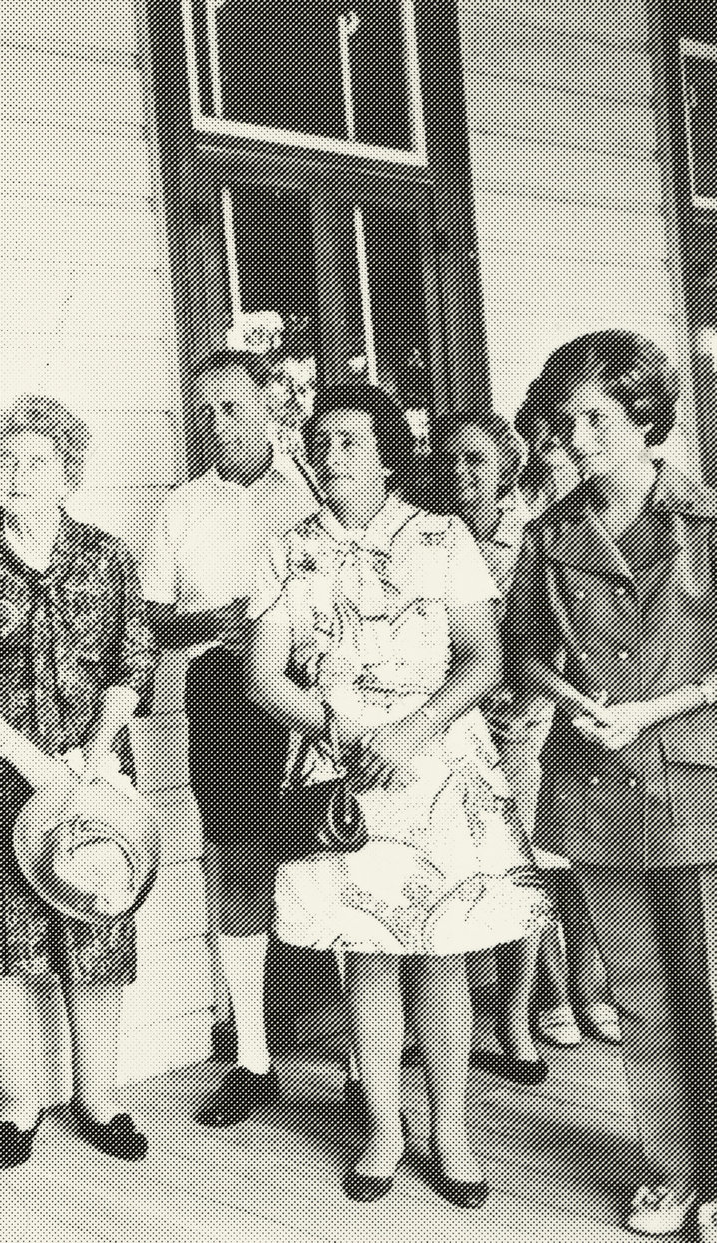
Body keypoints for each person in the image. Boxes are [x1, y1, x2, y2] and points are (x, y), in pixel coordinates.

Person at [245, 383, 551, 1208]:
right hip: (342, 769)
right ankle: (385, 1126)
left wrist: (411, 732)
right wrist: (346, 729)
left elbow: (483, 657)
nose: (331, 454)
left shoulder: (442, 535)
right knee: (369, 954)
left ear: (386, 453)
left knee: (442, 949)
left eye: (349, 440)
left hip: (438, 761)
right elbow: (261, 676)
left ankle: (449, 1129)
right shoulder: (289, 548)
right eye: (321, 440)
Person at [504, 330, 717, 1237]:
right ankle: (674, 1169)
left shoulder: (706, 519)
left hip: (695, 781)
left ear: (646, 420)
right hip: (594, 784)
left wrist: (655, 708)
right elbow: (520, 651)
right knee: (640, 991)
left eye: (596, 418)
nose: (577, 437)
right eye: (568, 420)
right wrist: (565, 693)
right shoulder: (551, 534)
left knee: (710, 983)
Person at [0, 396, 158, 1168]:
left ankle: (101, 1098)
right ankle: (15, 1106)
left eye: (38, 462)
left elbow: (131, 664)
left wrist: (93, 750)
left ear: (69, 477)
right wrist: (34, 766)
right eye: (7, 461)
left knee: (94, 918)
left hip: (91, 773)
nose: (18, 475)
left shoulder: (110, 557)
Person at [140, 350, 316, 1127]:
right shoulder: (181, 507)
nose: (218, 424)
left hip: (317, 686)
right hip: (222, 691)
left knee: (332, 854)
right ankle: (253, 1058)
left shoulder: (313, 488)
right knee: (240, 863)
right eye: (204, 410)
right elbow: (151, 616)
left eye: (233, 407)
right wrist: (211, 622)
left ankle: (358, 1063)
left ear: (268, 406)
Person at [430, 414, 615, 1087]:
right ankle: (442, 1019)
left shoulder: (530, 534)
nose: (459, 473)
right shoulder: (429, 533)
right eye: (448, 459)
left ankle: (515, 1012)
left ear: (507, 466)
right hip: (443, 720)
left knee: (517, 868)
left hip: (514, 721)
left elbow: (540, 639)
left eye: (475, 460)